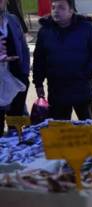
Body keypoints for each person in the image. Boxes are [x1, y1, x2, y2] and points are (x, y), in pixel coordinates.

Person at [33, 0, 92, 121]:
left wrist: (85, 74)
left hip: (82, 88)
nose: (56, 11)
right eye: (53, 7)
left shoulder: (88, 29)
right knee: (60, 129)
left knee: (87, 129)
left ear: (71, 11)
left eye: (61, 8)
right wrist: (38, 82)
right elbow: (39, 59)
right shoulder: (45, 31)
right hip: (57, 90)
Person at [0, 0, 30, 137]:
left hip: (16, 82)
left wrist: (24, 75)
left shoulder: (13, 19)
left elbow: (24, 47)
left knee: (16, 128)